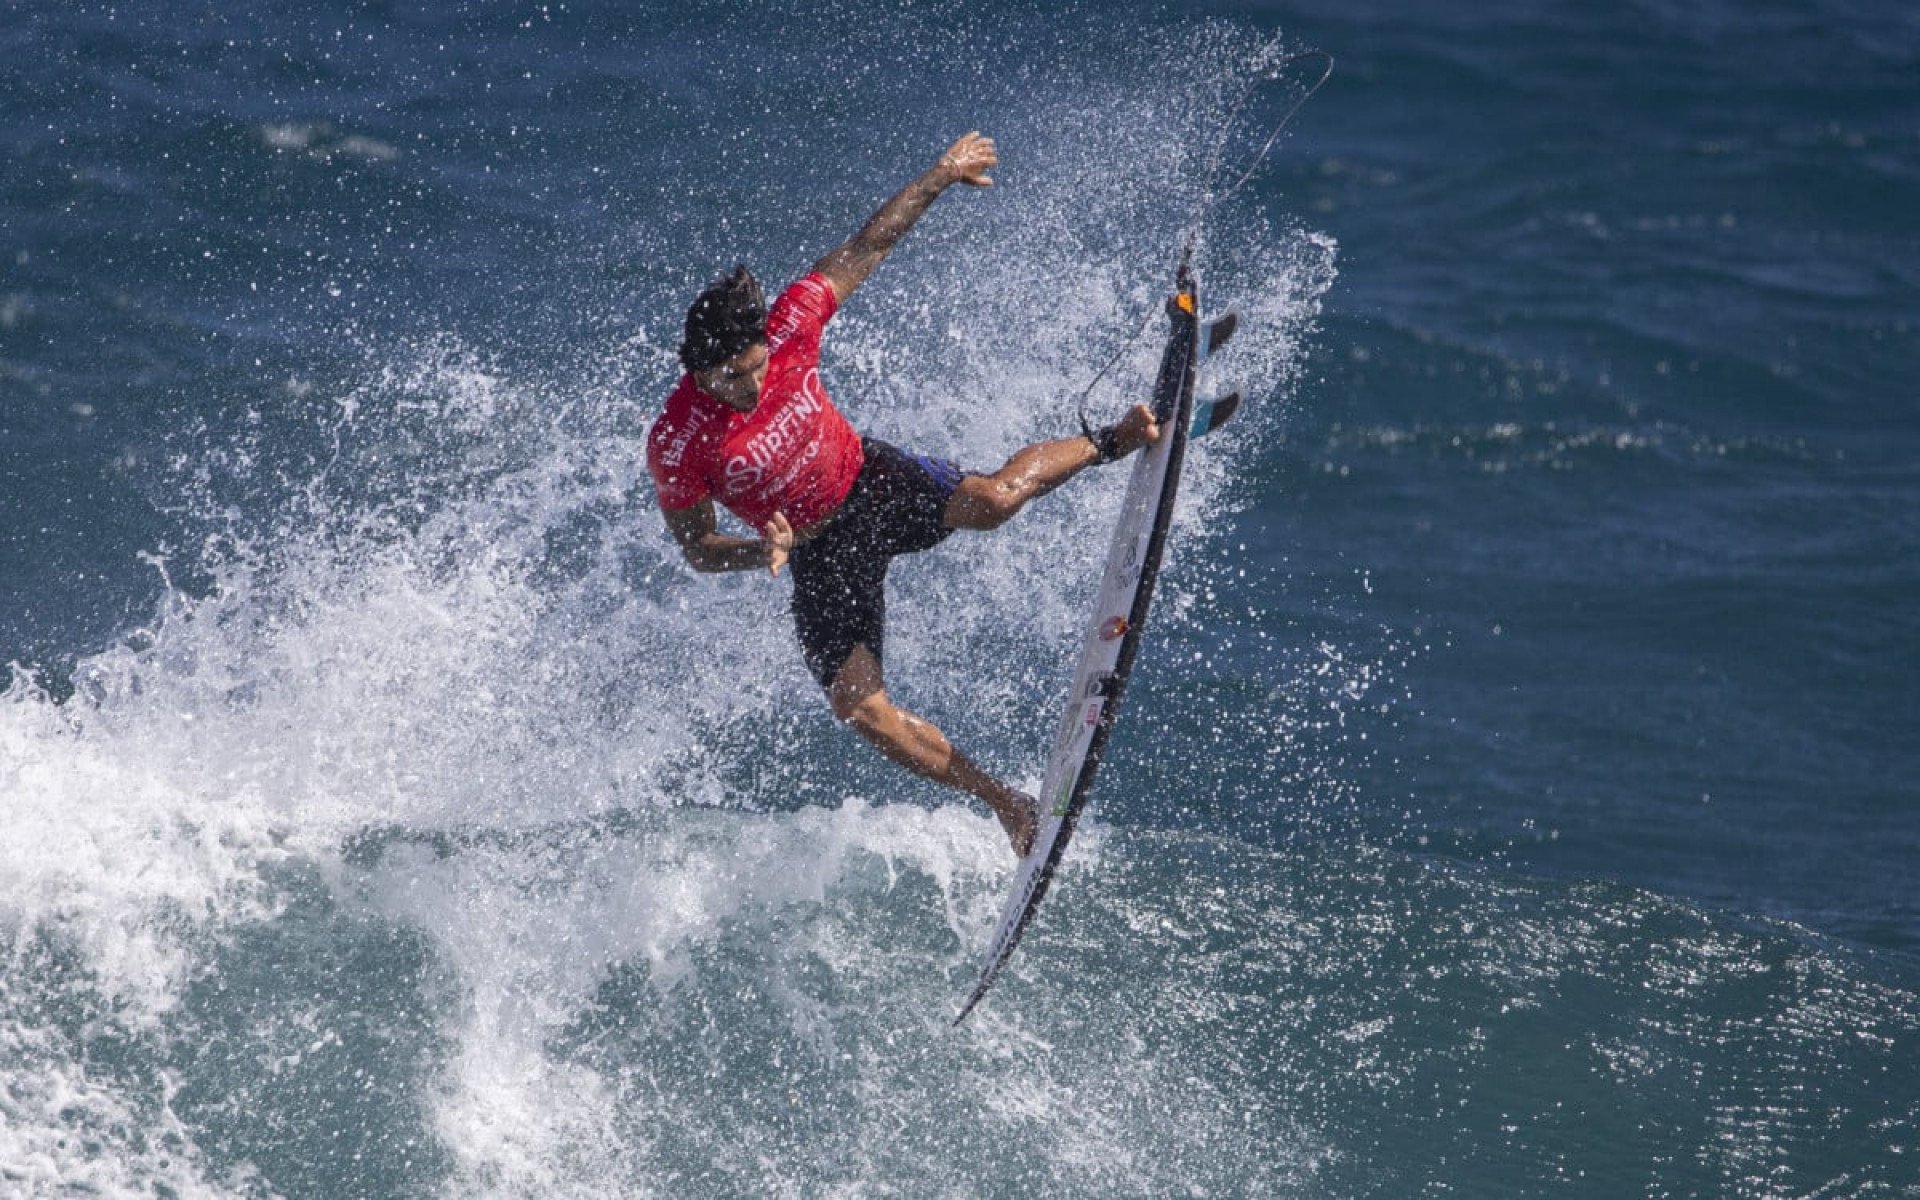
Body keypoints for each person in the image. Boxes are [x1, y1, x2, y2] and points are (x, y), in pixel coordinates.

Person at [646, 132, 1159, 858]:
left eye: (758, 368)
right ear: (697, 370)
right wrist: (761, 549)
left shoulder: (789, 329)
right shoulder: (677, 441)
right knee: (863, 711)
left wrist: (942, 175)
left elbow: (867, 246)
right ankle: (1008, 804)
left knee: (996, 500)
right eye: (733, 379)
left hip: (871, 483)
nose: (754, 387)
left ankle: (1113, 439)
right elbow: (697, 549)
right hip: (819, 555)